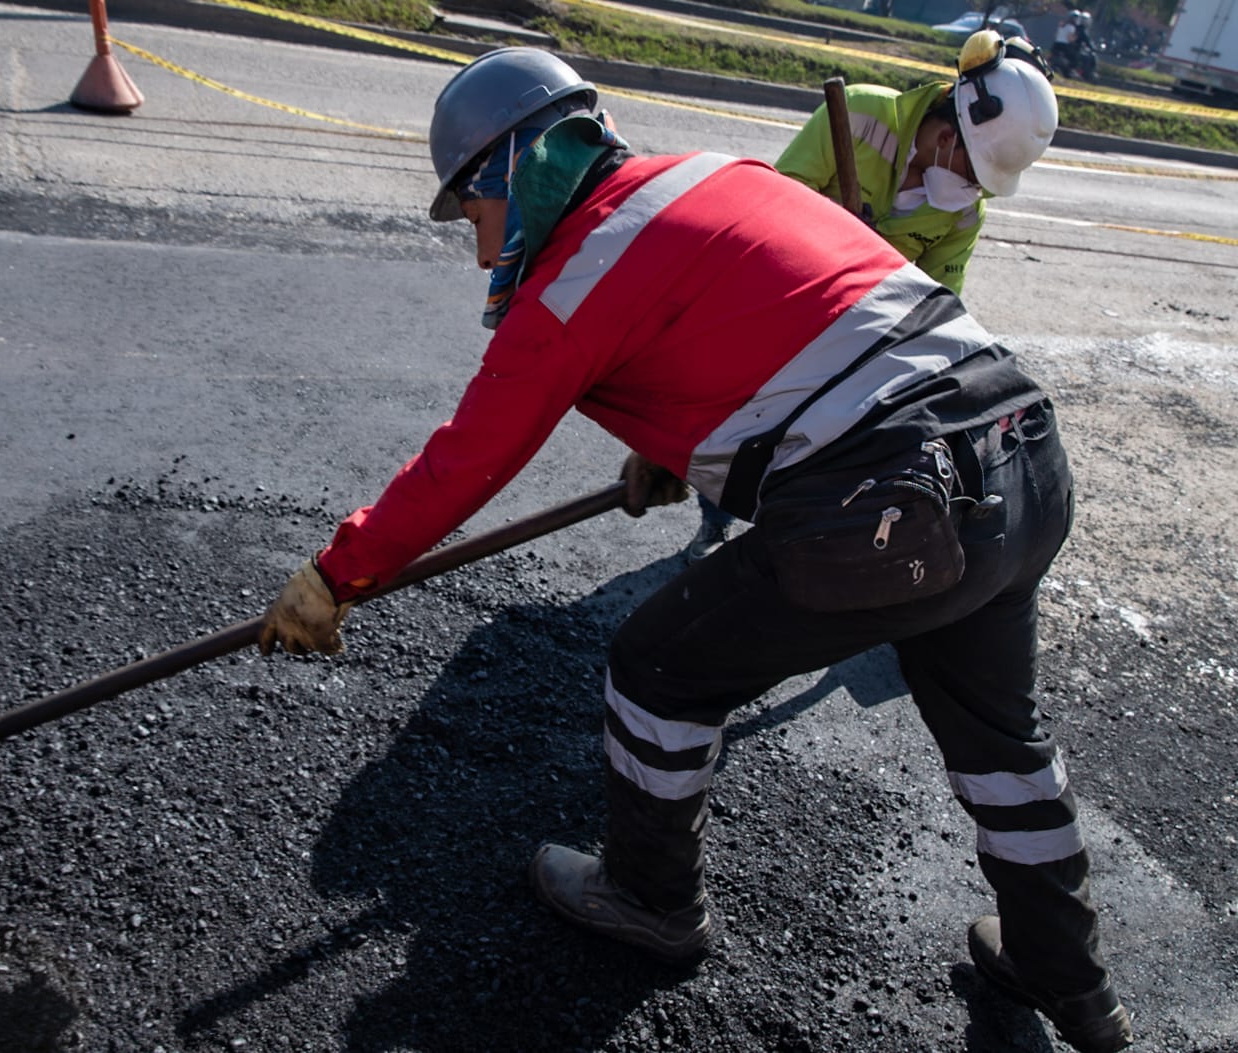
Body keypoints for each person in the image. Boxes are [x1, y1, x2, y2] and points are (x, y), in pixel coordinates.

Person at [257, 47, 1129, 1053]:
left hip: (892, 496)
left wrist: (338, 577)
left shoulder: (572, 277)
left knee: (657, 666)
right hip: (1018, 448)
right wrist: (674, 448)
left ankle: (649, 898)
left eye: (470, 212)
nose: (475, 239)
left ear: (504, 171)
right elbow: (779, 325)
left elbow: (464, 465)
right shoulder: (712, 173)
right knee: (1001, 746)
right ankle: (1074, 987)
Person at [685, 30, 1059, 562]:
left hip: (854, 335)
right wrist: (830, 233)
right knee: (741, 418)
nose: (974, 189)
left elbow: (938, 296)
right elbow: (770, 207)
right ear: (949, 135)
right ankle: (714, 517)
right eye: (976, 173)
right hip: (780, 300)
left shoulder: (962, 213)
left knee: (818, 441)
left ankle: (777, 537)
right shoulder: (860, 115)